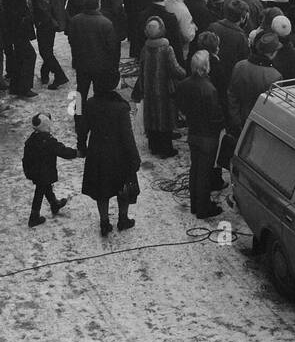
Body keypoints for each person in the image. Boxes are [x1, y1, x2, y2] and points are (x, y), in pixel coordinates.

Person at [79, 72, 141, 236]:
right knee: (123, 187)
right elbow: (127, 136)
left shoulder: (90, 104)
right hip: (119, 154)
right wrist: (134, 158)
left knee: (101, 190)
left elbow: (83, 128)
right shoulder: (121, 107)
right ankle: (123, 218)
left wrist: (82, 146)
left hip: (98, 152)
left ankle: (104, 222)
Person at [175, 50, 224, 219]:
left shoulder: (184, 84)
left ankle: (196, 204)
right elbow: (215, 116)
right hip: (208, 135)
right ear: (206, 67)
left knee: (195, 169)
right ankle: (203, 208)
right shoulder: (209, 89)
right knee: (204, 172)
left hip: (193, 132)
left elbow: (180, 105)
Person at [135, 17, 185, 158]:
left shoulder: (145, 48)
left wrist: (142, 87)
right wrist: (185, 73)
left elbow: (141, 69)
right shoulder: (167, 49)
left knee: (152, 117)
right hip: (164, 89)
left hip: (149, 88)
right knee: (165, 118)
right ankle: (165, 149)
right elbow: (175, 69)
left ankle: (154, 146)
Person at [22, 112, 74, 227]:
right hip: (44, 171)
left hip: (34, 170)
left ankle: (54, 204)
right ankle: (34, 217)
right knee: (40, 190)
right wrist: (76, 153)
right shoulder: (48, 140)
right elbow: (62, 151)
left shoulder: (32, 138)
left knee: (45, 186)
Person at [228, 31, 282, 131]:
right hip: (257, 126)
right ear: (272, 53)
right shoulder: (275, 77)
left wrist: (236, 121)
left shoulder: (240, 66)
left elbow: (232, 96)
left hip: (237, 121)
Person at [29, 0, 69, 89]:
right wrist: (58, 10)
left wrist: (47, 17)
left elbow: (43, 8)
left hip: (45, 22)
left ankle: (59, 75)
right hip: (54, 20)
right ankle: (45, 73)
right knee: (48, 49)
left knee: (45, 51)